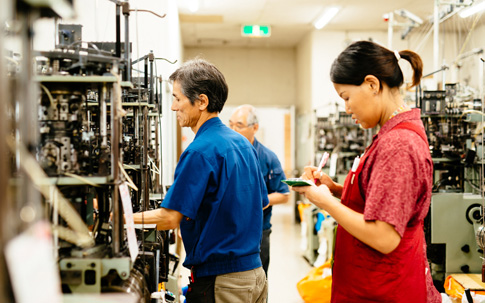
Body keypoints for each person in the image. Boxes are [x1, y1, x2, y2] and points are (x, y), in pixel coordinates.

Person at [291, 41, 441, 303]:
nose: (347, 109)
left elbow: (384, 237)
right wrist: (334, 189)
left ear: (373, 84)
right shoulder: (389, 135)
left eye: (346, 97)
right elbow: (380, 201)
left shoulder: (398, 144)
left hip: (386, 290)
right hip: (374, 285)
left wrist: (325, 202)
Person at [132, 59, 268, 303]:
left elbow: (169, 218)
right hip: (255, 277)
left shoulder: (200, 151)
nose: (173, 107)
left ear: (202, 101)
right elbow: (259, 203)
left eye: (177, 98)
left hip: (222, 281)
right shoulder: (243, 145)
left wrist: (120, 220)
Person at [229, 104, 290, 277]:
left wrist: (257, 202)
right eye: (230, 124)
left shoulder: (267, 157)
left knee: (258, 279)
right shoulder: (224, 152)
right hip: (229, 230)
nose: (233, 130)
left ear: (255, 128)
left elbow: (283, 194)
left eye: (239, 126)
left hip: (258, 231)